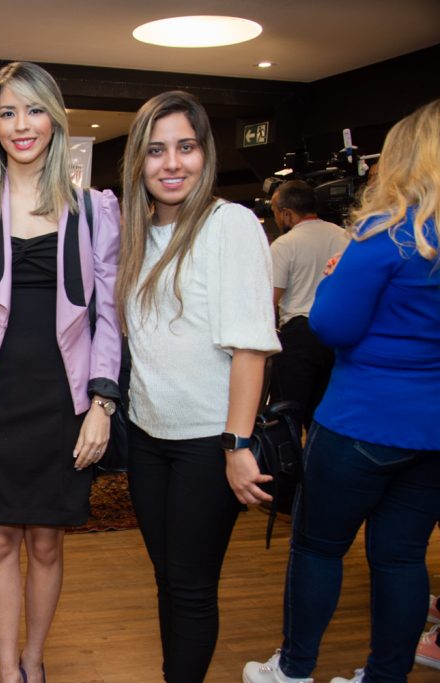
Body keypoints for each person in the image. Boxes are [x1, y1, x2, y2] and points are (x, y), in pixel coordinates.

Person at [244, 99, 440, 683]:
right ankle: (385, 676)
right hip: (431, 431)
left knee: (319, 548)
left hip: (361, 422)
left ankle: (294, 670)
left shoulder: (389, 235)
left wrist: (333, 281)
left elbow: (332, 327)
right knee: (403, 558)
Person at [0, 61, 121, 683]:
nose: (22, 125)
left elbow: (110, 312)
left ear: (56, 120)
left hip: (64, 398)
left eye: (34, 110)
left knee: (46, 541)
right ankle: (5, 671)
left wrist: (102, 403)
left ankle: (35, 660)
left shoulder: (93, 208)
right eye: (8, 112)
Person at [117, 90, 281, 683]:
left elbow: (250, 346)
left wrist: (237, 447)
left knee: (189, 586)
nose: (172, 163)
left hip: (208, 441)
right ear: (139, 160)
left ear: (204, 153)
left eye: (185, 147)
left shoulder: (229, 225)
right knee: (168, 578)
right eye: (157, 150)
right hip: (147, 436)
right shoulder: (135, 234)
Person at [268, 180, 350, 429]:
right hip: (337, 334)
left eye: (274, 213)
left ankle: (289, 467)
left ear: (287, 213)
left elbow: (270, 298)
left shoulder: (285, 244)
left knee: (286, 414)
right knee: (324, 415)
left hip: (299, 336)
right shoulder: (344, 236)